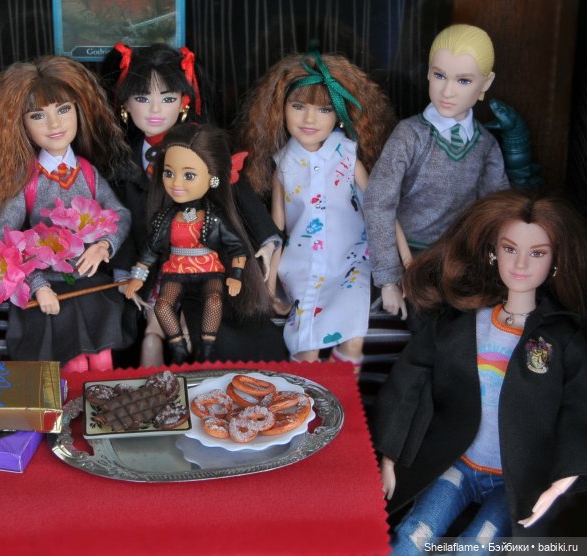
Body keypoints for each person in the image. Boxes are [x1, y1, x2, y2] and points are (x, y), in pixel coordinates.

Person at [373, 189, 587, 552]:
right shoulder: (463, 321)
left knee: (475, 546)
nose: (521, 264)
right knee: (413, 536)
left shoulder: (563, 338)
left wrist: (560, 483)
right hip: (460, 464)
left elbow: (578, 409)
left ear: (555, 261)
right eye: (510, 249)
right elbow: (413, 376)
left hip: (514, 480)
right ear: (492, 252)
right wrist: (390, 455)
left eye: (537, 253)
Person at [0, 56, 133, 373]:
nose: (55, 124)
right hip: (49, 287)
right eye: (38, 115)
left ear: (78, 111)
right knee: (71, 360)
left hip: (88, 283)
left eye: (63, 110)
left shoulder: (86, 172)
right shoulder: (27, 182)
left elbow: (120, 213)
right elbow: (5, 242)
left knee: (102, 355)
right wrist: (38, 285)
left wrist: (105, 245)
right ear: (22, 125)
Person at [109, 42, 283, 365]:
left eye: (168, 98)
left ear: (184, 102)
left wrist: (266, 239)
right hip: (153, 271)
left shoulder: (201, 145)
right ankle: (151, 385)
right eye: (142, 99)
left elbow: (233, 188)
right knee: (152, 333)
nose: (155, 110)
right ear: (125, 105)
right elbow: (122, 222)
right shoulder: (124, 163)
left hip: (205, 264)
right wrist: (124, 271)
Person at [237, 51, 395, 371]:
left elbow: (379, 208)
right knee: (305, 346)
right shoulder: (284, 165)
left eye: (324, 109)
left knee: (353, 338)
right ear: (280, 110)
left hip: (350, 261)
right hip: (302, 265)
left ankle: (342, 389)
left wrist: (396, 270)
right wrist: (269, 288)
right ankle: (311, 394)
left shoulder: (347, 156)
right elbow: (277, 232)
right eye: (298, 107)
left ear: (339, 114)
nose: (309, 120)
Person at [364, 24, 510, 319]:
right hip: (408, 256)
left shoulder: (485, 145)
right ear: (428, 73)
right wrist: (388, 277)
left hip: (458, 258)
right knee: (423, 317)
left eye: (464, 80)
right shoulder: (410, 135)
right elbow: (378, 201)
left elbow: (497, 210)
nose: (447, 91)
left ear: (485, 83)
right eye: (440, 75)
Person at [124, 124, 270, 363]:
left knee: (213, 302)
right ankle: (177, 346)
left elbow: (236, 247)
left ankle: (206, 346)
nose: (176, 183)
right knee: (162, 307)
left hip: (208, 268)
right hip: (176, 269)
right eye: (169, 173)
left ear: (212, 179)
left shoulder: (214, 217)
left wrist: (236, 275)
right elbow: (151, 248)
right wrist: (138, 276)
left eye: (189, 176)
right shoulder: (166, 217)